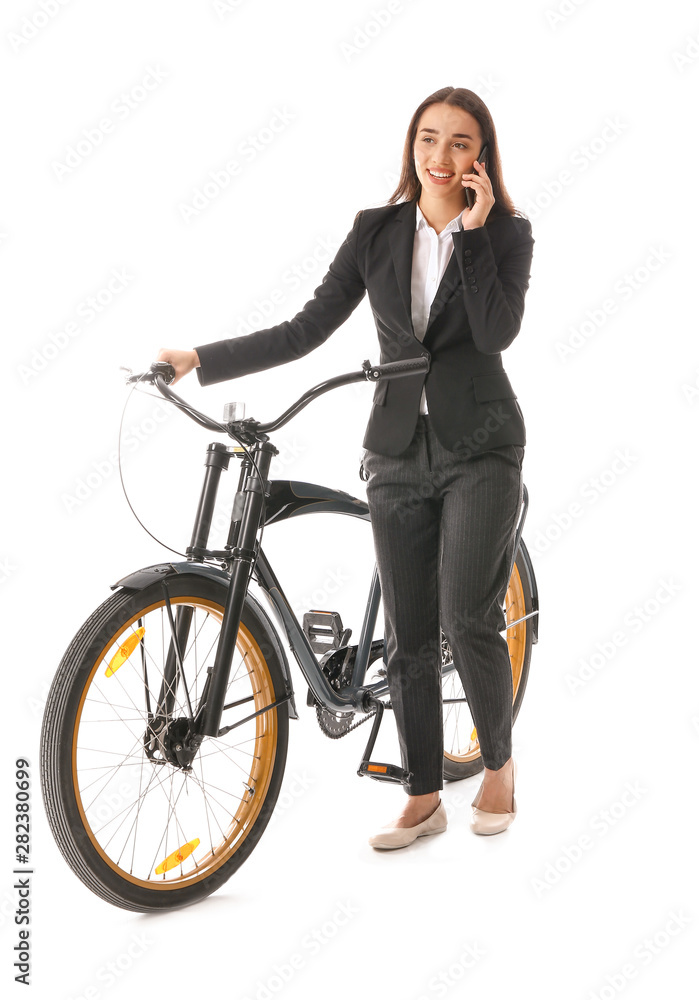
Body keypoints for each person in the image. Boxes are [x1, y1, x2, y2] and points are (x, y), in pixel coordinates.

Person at [157, 85, 534, 849]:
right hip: (395, 451)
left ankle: (497, 767)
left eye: (459, 142)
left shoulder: (507, 235)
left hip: (482, 446)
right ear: (410, 145)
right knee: (406, 635)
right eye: (428, 138)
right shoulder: (375, 232)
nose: (439, 155)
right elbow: (305, 329)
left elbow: (496, 334)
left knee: (464, 616)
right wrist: (200, 359)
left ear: (480, 158)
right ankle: (422, 794)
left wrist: (471, 232)